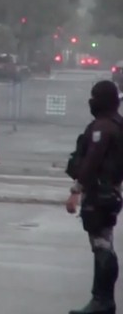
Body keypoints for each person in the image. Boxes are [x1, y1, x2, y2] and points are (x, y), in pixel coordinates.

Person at [67, 80, 123, 314]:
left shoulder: (102, 128)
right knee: (105, 245)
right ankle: (104, 300)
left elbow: (92, 160)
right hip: (112, 192)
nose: (91, 100)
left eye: (94, 96)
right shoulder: (118, 125)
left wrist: (76, 190)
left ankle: (102, 301)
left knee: (101, 246)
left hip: (99, 194)